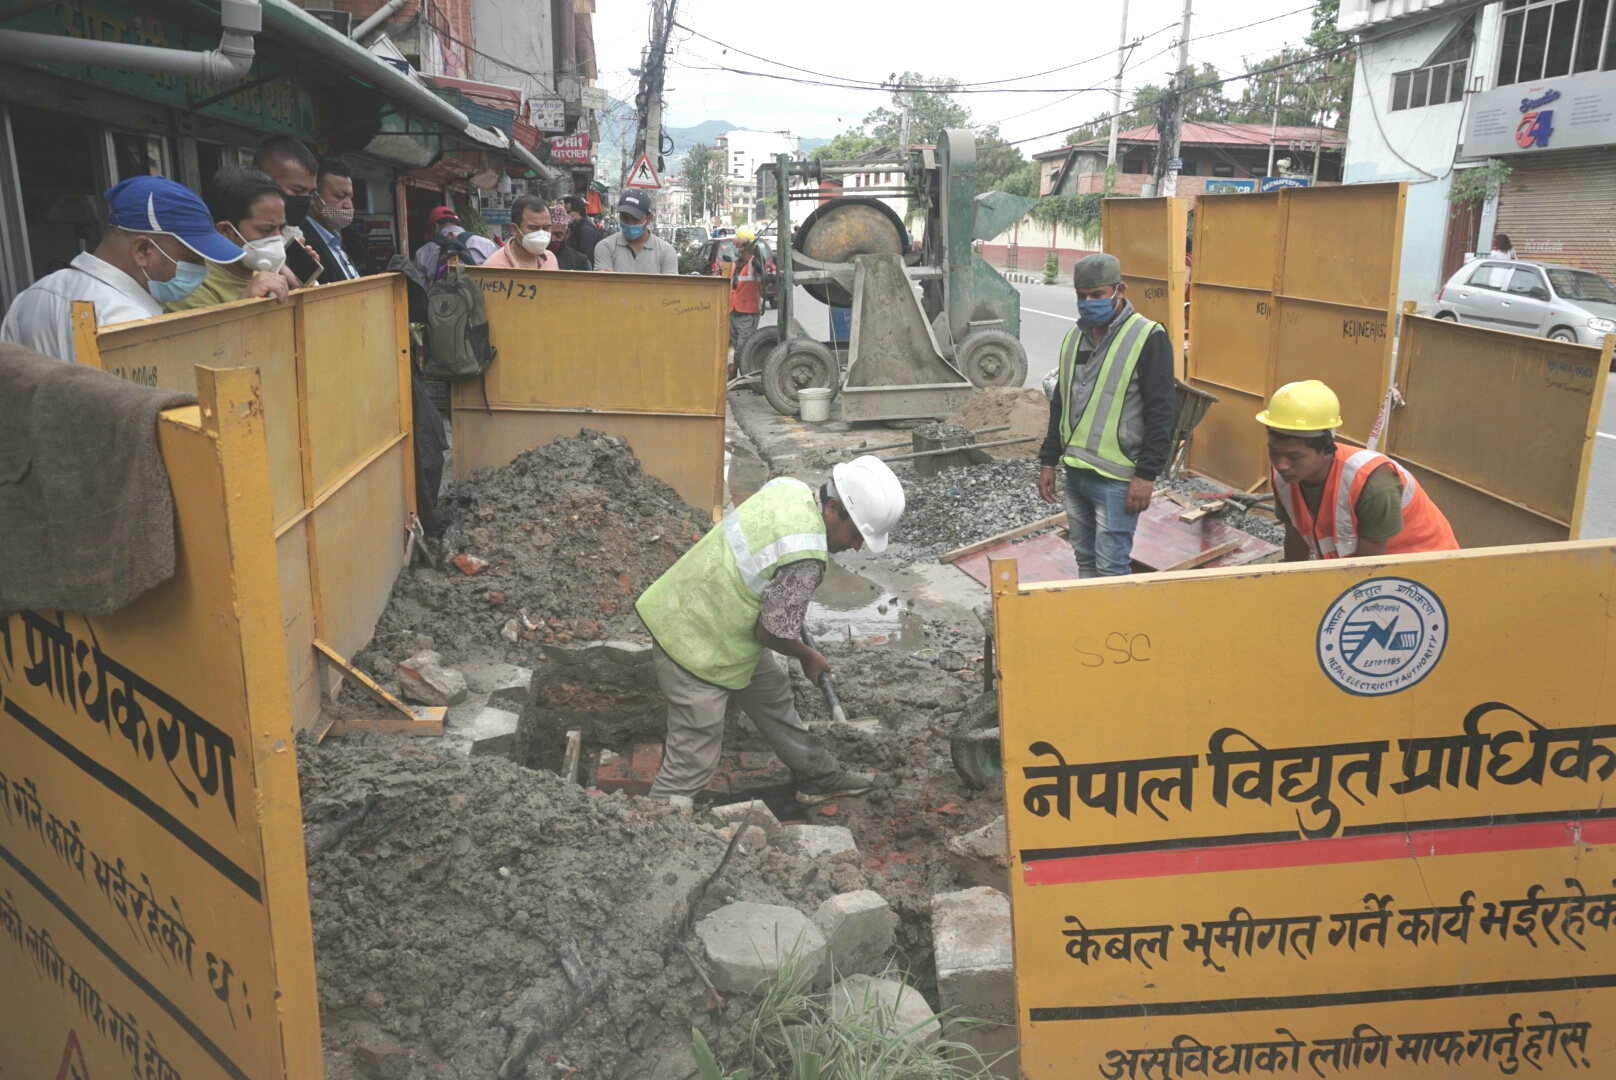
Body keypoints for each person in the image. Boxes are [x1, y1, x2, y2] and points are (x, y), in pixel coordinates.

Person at [634, 456, 906, 803]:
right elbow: (769, 634)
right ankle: (657, 827)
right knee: (693, 761)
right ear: (832, 509)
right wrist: (807, 655)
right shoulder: (806, 558)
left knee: (773, 694)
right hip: (694, 642)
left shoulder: (788, 488)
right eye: (854, 535)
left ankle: (819, 776)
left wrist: (785, 600)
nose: (854, 547)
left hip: (705, 611)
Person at [1, 175, 242, 362]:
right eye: (191, 258)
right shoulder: (129, 325)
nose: (202, 270)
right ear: (143, 250)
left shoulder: (31, 296)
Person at [1036, 252, 1174, 577]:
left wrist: (1147, 476)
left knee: (1112, 568)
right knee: (1085, 562)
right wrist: (1048, 461)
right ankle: (1092, 628)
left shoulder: (1148, 337)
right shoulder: (1074, 338)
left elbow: (1161, 413)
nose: (1088, 303)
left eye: (1097, 295)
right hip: (1077, 475)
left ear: (1119, 290)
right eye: (1081, 296)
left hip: (1118, 480)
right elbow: (1061, 404)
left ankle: (1116, 630)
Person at [1260, 380, 1458, 560]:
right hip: (1363, 572)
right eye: (1274, 452)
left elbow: (1369, 571)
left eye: (1294, 457)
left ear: (1327, 451)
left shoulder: (1373, 482)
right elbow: (1295, 539)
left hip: (1426, 572)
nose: (1281, 464)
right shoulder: (1284, 478)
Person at [163, 165, 297, 312]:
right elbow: (205, 335)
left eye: (281, 228)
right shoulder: (190, 286)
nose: (277, 239)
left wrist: (298, 292)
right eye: (266, 230)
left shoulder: (264, 273)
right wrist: (245, 301)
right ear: (225, 230)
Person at [253, 135, 327, 284]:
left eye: (311, 193)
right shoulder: (244, 244)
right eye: (297, 191)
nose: (308, 201)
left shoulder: (294, 235)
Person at [306, 156, 366, 280]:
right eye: (340, 196)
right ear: (313, 196)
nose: (348, 205)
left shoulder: (337, 241)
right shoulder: (304, 245)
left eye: (350, 197)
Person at [593, 189, 678, 274]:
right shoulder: (605, 247)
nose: (630, 224)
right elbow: (603, 284)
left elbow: (669, 286)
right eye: (624, 217)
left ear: (649, 218)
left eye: (636, 219)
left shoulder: (666, 252)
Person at [414, 205, 496, 279]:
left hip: (441, 295)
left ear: (435, 226)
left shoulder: (423, 252)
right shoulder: (487, 245)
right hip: (479, 295)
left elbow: (421, 289)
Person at [481, 196, 557, 269]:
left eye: (546, 228)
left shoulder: (550, 259)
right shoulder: (494, 266)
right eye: (533, 228)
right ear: (514, 229)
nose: (541, 234)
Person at [727, 226, 764, 378]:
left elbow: (760, 257)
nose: (738, 250)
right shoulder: (735, 265)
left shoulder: (756, 264)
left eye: (740, 247)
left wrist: (752, 245)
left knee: (743, 347)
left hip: (748, 312)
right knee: (737, 347)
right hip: (733, 312)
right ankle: (736, 371)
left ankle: (737, 372)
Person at [546, 203, 591, 271]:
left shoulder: (580, 261)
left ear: (567, 234)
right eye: (548, 234)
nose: (552, 239)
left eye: (558, 235)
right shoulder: (533, 257)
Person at [564, 193, 601, 263]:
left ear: (577, 212)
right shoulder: (575, 226)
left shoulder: (585, 230)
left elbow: (587, 259)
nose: (566, 215)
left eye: (568, 212)